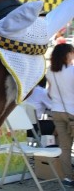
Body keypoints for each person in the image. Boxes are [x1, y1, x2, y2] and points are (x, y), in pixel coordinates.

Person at [45, 42, 74, 187]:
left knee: (65, 147)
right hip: (72, 113)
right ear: (67, 54)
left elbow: (49, 93)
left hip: (56, 111)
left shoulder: (50, 71)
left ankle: (68, 178)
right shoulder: (72, 71)